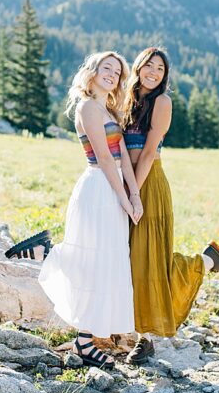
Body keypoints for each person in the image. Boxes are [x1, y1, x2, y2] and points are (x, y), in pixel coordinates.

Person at [120, 47, 219, 365]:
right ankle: (209, 260)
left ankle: (145, 337)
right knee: (129, 258)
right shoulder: (127, 100)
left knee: (151, 261)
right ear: (139, 67)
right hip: (127, 183)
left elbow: (147, 153)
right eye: (149, 65)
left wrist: (133, 193)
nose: (154, 72)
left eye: (161, 68)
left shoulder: (162, 102)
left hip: (148, 184)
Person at [38, 51, 142, 368]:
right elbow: (105, 158)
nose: (112, 74)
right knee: (92, 260)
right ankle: (45, 252)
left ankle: (85, 341)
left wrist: (134, 194)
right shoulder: (87, 107)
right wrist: (124, 200)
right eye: (106, 68)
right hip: (99, 188)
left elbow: (122, 154)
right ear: (93, 71)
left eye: (117, 71)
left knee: (104, 262)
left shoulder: (108, 108)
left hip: (115, 187)